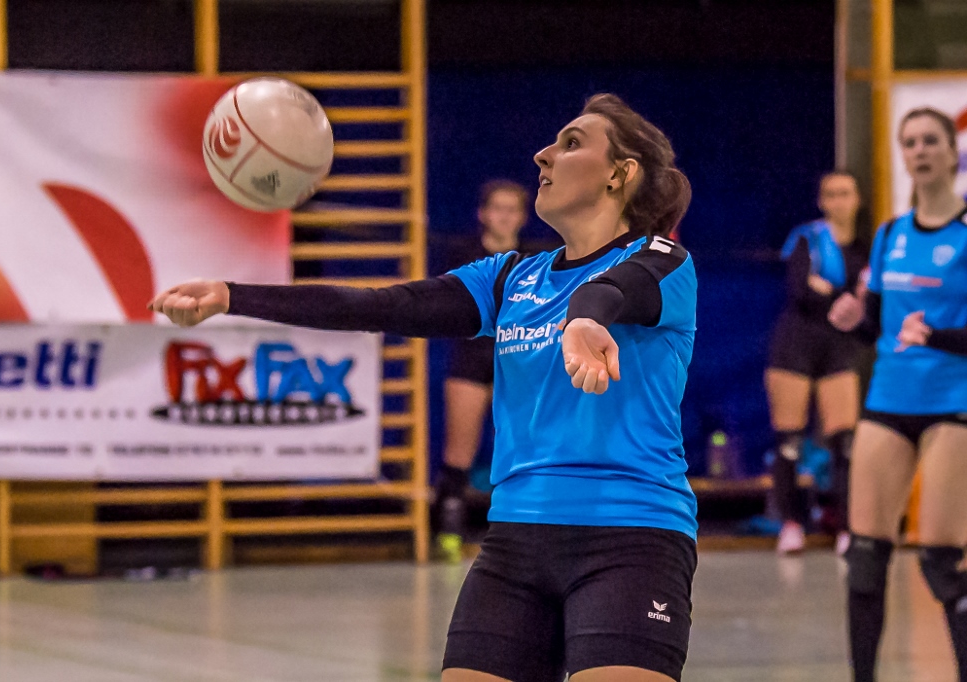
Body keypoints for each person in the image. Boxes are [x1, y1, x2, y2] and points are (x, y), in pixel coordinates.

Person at [151, 92, 698, 682]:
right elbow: (382, 305)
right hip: (516, 542)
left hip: (631, 538)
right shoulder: (511, 277)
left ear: (620, 174)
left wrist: (585, 321)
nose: (543, 155)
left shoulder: (664, 260)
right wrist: (232, 296)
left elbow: (614, 288)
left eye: (570, 144)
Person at [829, 107, 967, 682]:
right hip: (888, 399)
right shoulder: (890, 234)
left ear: (952, 151)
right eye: (910, 142)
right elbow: (879, 327)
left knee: (942, 561)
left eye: (931, 140)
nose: (920, 151)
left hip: (952, 403)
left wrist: (937, 335)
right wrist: (854, 319)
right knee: (865, 557)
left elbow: (927, 330)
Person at [765, 171, 869, 555]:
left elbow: (866, 305)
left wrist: (831, 291)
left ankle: (845, 527)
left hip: (838, 349)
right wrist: (843, 297)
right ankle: (791, 525)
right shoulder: (807, 239)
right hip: (794, 346)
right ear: (821, 201)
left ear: (857, 199)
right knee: (789, 442)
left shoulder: (865, 250)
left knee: (845, 443)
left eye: (845, 193)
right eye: (831, 194)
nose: (838, 201)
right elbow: (800, 290)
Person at [435, 180, 529, 561]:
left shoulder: (535, 261)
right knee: (459, 451)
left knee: (526, 450)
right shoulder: (465, 257)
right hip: (471, 360)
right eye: (498, 208)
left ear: (522, 217)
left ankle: (525, 531)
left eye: (512, 209)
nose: (504, 216)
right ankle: (448, 531)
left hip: (517, 363)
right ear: (483, 214)